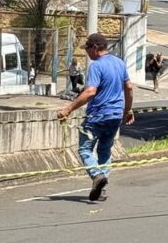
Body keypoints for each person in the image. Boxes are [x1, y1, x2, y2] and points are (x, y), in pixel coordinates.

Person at [57, 33, 135, 202]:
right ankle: (102, 187)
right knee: (105, 150)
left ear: (95, 48)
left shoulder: (96, 66)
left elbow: (91, 91)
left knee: (84, 149)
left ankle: (96, 175)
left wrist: (68, 109)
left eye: (88, 49)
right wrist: (127, 110)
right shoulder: (119, 63)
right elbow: (129, 88)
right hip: (115, 116)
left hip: (97, 116)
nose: (87, 53)